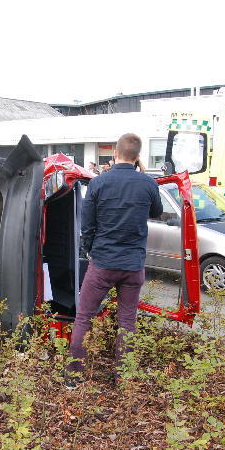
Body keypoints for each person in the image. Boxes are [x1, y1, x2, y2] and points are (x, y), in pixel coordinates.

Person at [66, 133, 163, 388]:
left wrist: (89, 251)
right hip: (133, 265)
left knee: (84, 317)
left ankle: (74, 379)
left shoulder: (99, 183)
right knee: (127, 321)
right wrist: (141, 172)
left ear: (114, 154)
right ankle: (124, 379)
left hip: (103, 263)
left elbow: (87, 226)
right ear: (138, 157)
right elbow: (156, 212)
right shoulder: (148, 183)